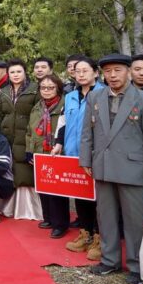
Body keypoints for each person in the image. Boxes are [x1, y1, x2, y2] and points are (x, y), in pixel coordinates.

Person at [79, 54, 143, 284]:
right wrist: (86, 159)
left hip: (133, 170)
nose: (113, 75)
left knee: (135, 221)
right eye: (108, 71)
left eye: (118, 70)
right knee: (105, 217)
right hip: (103, 166)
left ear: (128, 71)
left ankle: (137, 266)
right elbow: (87, 132)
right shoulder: (95, 96)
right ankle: (110, 260)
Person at [59, 56, 104, 260]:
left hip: (96, 155)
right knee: (80, 195)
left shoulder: (104, 93)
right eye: (78, 71)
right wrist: (59, 144)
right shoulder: (69, 96)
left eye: (86, 70)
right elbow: (63, 123)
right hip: (73, 154)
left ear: (95, 72)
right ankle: (85, 234)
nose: (81, 74)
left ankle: (99, 238)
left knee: (99, 199)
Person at [0, 59, 40, 220]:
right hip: (7, 136)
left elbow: (38, 115)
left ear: (25, 72)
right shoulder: (4, 91)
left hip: (27, 136)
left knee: (25, 171)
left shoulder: (34, 89)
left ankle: (28, 209)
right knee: (9, 169)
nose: (15, 75)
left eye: (19, 71)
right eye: (12, 72)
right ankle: (8, 206)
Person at [27, 74, 66, 235]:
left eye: (51, 87)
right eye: (43, 87)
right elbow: (30, 131)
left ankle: (60, 224)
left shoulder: (64, 105)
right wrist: (29, 150)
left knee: (57, 190)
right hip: (39, 151)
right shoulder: (38, 107)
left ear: (58, 88)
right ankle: (48, 218)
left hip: (57, 152)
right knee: (43, 187)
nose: (47, 90)